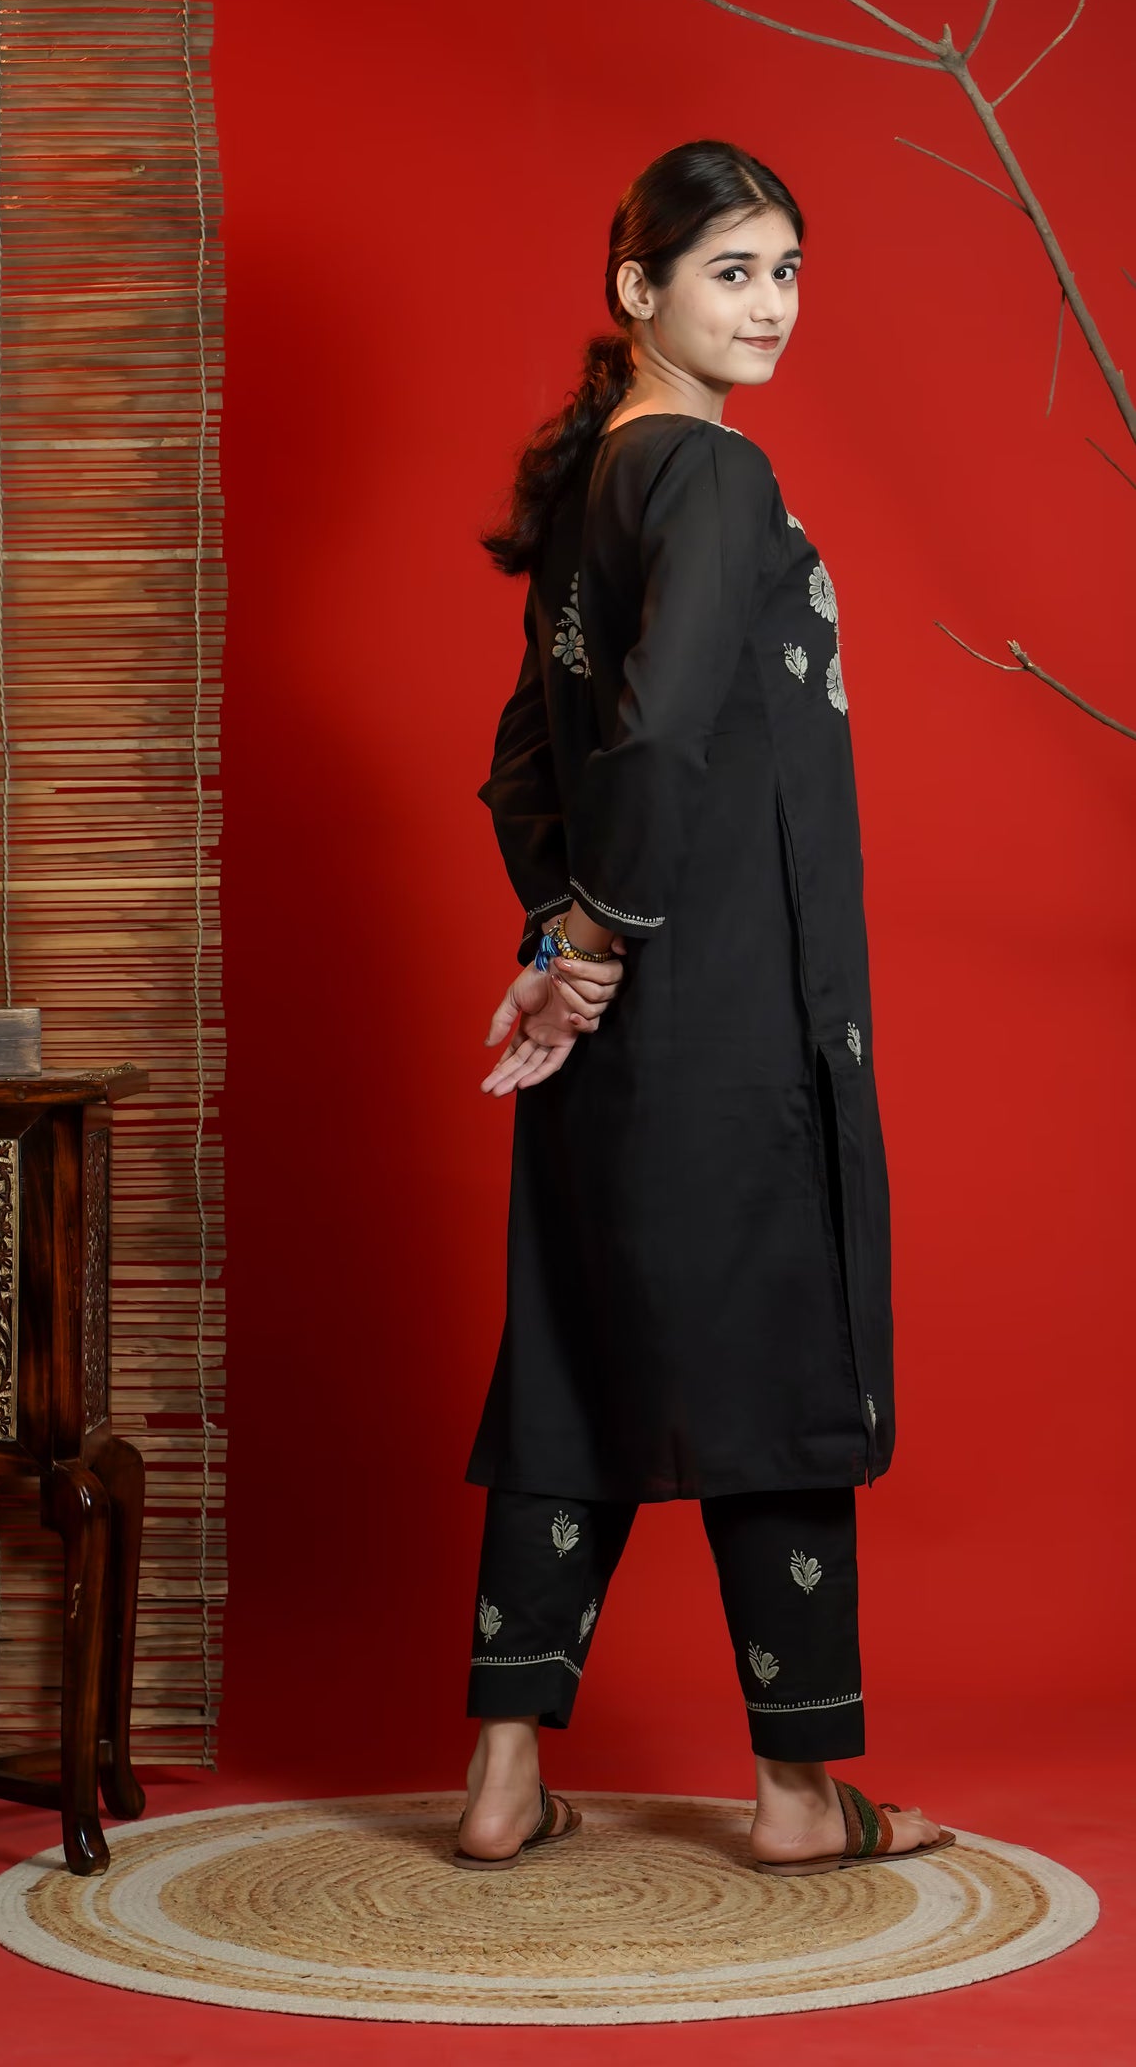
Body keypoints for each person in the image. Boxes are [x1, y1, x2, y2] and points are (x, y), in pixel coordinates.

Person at [455, 140, 952, 1878]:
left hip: (613, 1032)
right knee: (774, 1362)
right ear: (634, 291)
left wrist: (566, 952)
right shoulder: (710, 479)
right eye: (729, 270)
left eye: (787, 271)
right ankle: (803, 1799)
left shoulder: (597, 485)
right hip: (729, 1012)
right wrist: (600, 923)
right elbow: (654, 739)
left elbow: (529, 763)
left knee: (577, 1363)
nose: (768, 307)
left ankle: (504, 1774)